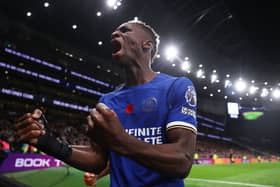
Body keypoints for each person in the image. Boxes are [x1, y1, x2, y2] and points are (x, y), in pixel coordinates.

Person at [14, 20, 197, 187]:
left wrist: (121, 140)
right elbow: (98, 159)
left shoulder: (177, 86)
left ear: (147, 44)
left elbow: (182, 160)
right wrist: (50, 143)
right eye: (115, 32)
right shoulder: (108, 100)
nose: (114, 35)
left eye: (125, 31)